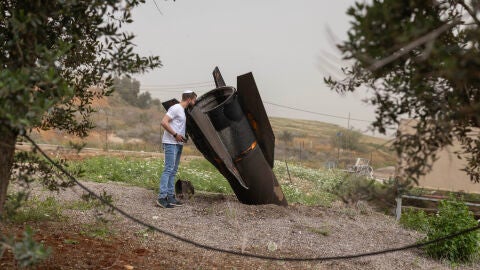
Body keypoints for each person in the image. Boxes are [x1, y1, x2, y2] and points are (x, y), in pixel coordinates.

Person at [157, 90, 197, 208]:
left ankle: (170, 197)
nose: (195, 102)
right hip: (170, 143)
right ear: (189, 99)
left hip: (178, 144)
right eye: (194, 99)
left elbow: (177, 125)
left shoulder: (183, 111)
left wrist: (182, 137)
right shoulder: (175, 108)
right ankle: (161, 197)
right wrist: (175, 135)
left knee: (173, 171)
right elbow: (164, 122)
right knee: (168, 169)